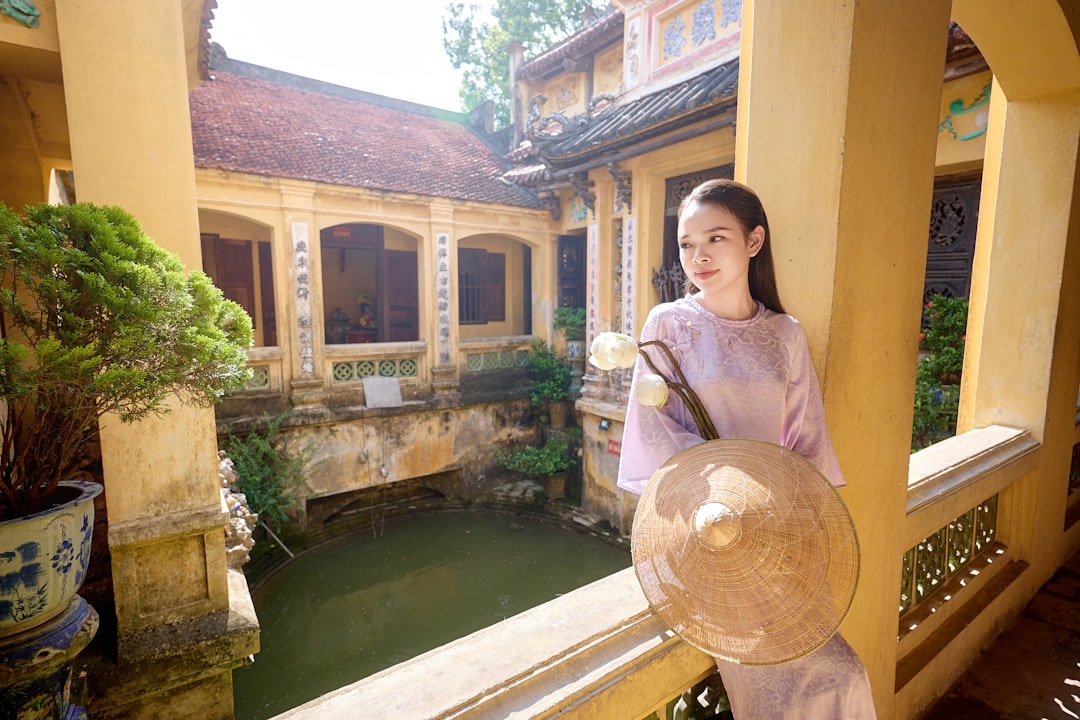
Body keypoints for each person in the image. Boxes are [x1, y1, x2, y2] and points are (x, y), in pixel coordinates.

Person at [617, 179, 877, 720]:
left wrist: (797, 522)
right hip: (705, 528)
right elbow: (653, 426)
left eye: (716, 238)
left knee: (843, 673)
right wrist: (722, 486)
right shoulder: (667, 325)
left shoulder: (785, 334)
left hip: (776, 529)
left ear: (754, 241)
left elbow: (805, 439)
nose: (698, 257)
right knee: (774, 687)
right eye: (687, 244)